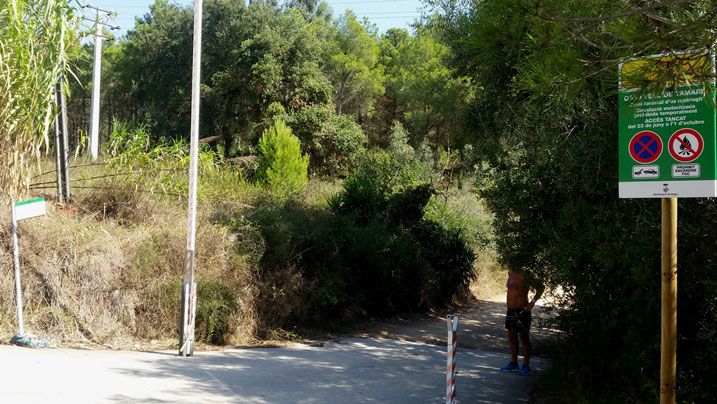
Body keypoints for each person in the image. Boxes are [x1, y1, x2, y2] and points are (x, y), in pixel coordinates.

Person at [500, 268, 544, 376]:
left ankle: (526, 366)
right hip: (511, 310)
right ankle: (514, 363)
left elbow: (541, 287)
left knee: (524, 338)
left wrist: (533, 302)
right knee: (511, 336)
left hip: (522, 310)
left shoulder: (526, 274)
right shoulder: (510, 272)